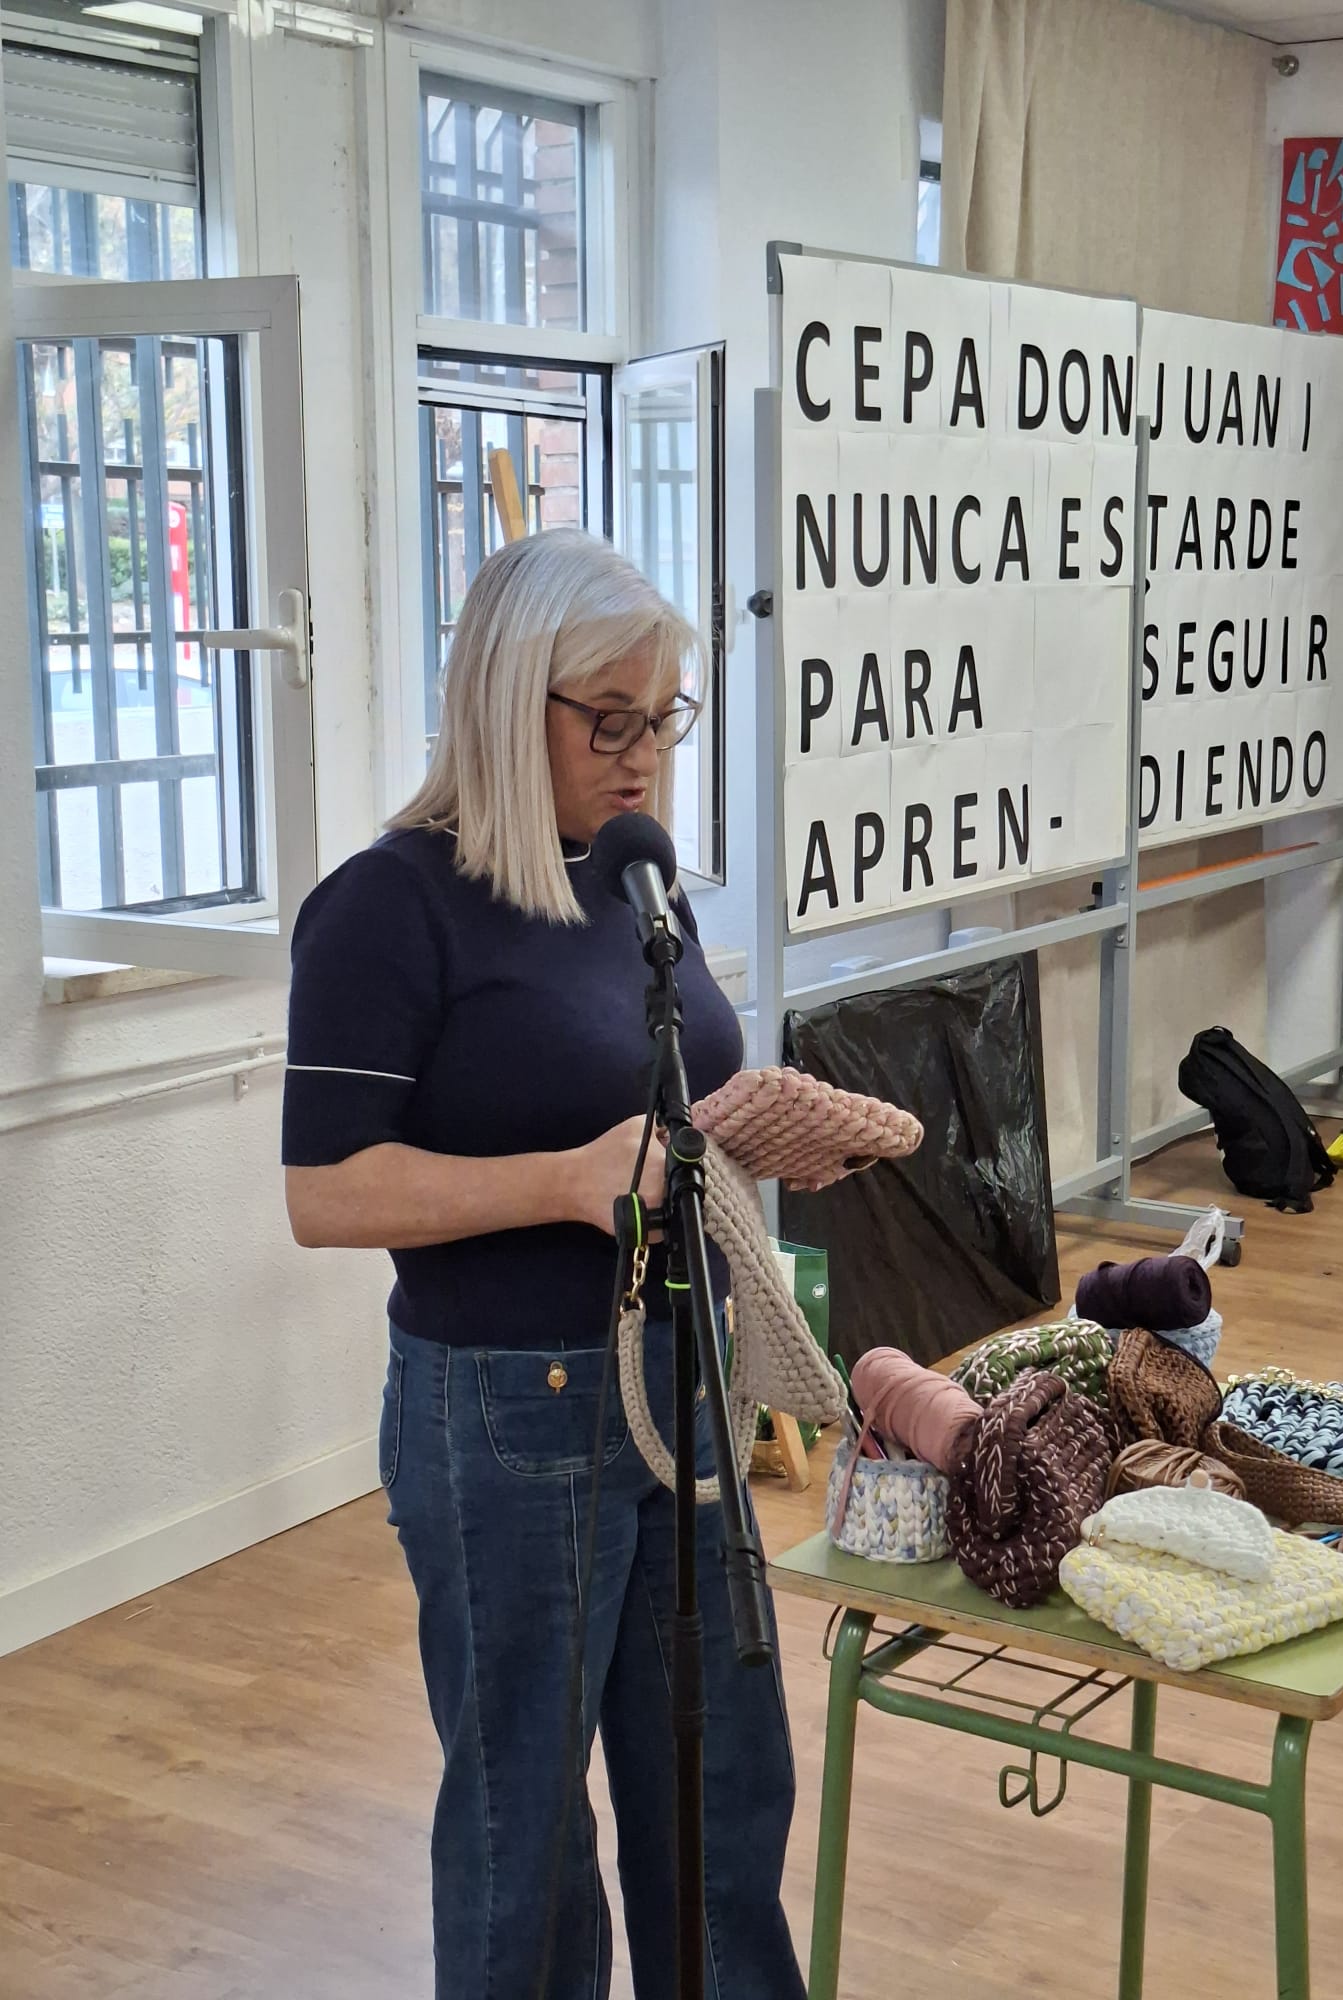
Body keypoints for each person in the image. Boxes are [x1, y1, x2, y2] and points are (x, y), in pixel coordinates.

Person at [281, 530, 805, 2000]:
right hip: (513, 1409)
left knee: (721, 1790)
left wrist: (757, 1132)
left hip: (681, 1379)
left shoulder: (636, 878)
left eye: (666, 718)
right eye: (610, 721)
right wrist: (570, 1183)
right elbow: (325, 1192)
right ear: (512, 704)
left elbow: (662, 1092)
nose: (646, 757)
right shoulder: (389, 907)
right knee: (529, 1834)